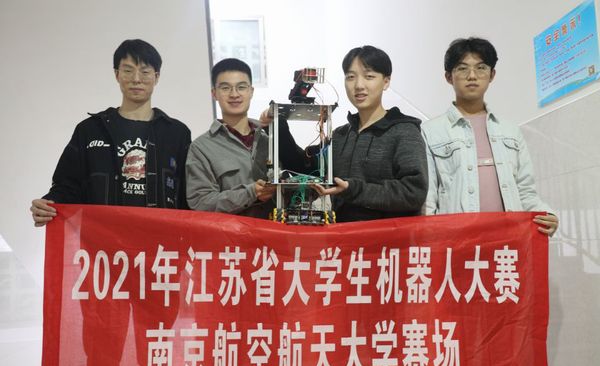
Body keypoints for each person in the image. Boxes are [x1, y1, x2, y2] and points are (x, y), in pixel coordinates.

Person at [30, 39, 190, 366]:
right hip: (104, 263)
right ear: (116, 74)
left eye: (145, 71)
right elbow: (66, 186)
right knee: (102, 353)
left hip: (159, 263)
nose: (137, 78)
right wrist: (49, 204)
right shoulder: (90, 132)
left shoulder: (176, 133)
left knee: (155, 354)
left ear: (157, 77)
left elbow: (187, 198)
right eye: (128, 70)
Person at [421, 37, 558, 236]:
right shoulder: (430, 131)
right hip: (456, 240)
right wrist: (430, 239)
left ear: (492, 75)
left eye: (481, 68)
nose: (472, 76)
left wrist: (546, 215)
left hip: (508, 240)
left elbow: (525, 191)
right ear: (449, 77)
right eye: (462, 68)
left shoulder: (510, 131)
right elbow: (428, 199)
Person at [312, 45, 428, 222]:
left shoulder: (404, 131)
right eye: (351, 77)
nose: (359, 85)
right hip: (343, 237)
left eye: (369, 76)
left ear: (386, 82)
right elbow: (307, 167)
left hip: (387, 238)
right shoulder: (340, 135)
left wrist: (354, 190)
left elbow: (413, 192)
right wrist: (279, 125)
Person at [186, 58, 305, 218]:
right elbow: (201, 203)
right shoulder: (201, 148)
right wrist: (250, 193)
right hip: (230, 234)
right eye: (225, 88)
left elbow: (302, 173)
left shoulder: (270, 137)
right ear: (214, 93)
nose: (234, 94)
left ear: (251, 91)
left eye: (241, 87)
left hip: (276, 232)